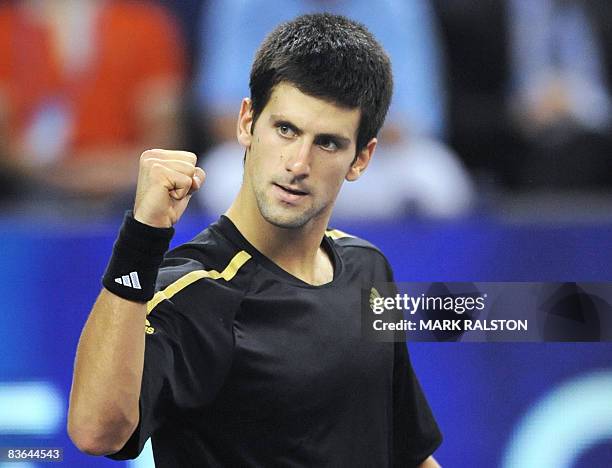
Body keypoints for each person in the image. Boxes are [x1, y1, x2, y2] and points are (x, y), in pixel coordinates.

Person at [67, 13, 442, 467]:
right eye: (285, 129)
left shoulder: (369, 268)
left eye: (327, 143)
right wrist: (141, 240)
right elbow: (96, 431)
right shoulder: (192, 295)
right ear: (247, 122)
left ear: (361, 158)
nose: (298, 163)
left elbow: (407, 454)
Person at [194, 0, 474, 219]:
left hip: (366, 161)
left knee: (439, 180)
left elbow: (415, 118)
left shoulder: (397, 6)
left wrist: (327, 131)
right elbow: (225, 116)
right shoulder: (244, 5)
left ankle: (405, 278)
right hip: (279, 156)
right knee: (224, 178)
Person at [0, 0, 185, 204]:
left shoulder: (143, 24)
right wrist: (69, 174)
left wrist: (114, 171)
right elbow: (7, 145)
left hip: (131, 184)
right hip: (35, 188)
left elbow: (163, 134)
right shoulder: (7, 29)